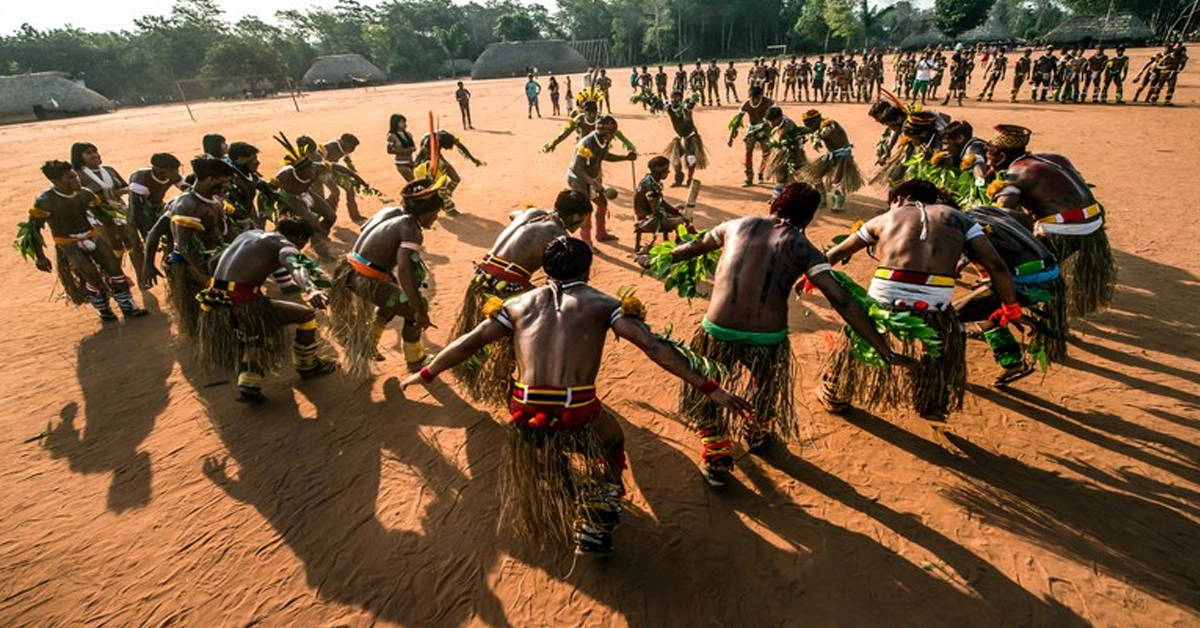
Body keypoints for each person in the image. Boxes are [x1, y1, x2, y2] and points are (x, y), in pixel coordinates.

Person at [401, 237, 752, 555]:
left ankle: (557, 487)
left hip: (524, 407)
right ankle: (596, 525)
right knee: (611, 442)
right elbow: (654, 348)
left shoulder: (519, 303)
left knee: (543, 446)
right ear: (587, 269)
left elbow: (469, 342)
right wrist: (711, 388)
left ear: (546, 268)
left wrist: (426, 372)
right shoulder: (603, 304)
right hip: (577, 407)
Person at [638, 183, 913, 485]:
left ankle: (716, 454)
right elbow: (841, 299)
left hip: (719, 329)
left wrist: (655, 258)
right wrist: (883, 348)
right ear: (807, 220)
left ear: (773, 204)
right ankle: (757, 431)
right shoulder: (804, 248)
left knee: (709, 384)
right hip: (767, 337)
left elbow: (692, 247)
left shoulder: (734, 225)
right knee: (766, 385)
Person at [818, 179, 1021, 421]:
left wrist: (810, 275)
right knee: (936, 343)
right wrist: (1010, 306)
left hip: (885, 296)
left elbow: (835, 254)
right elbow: (996, 265)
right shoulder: (959, 218)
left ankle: (835, 392)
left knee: (857, 334)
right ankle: (931, 400)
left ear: (899, 199)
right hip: (936, 300)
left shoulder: (884, 219)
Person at [449, 190, 593, 402]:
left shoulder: (533, 212)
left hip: (481, 279)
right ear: (575, 216)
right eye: (582, 221)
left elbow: (513, 214)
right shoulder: (559, 237)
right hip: (505, 289)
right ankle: (512, 386)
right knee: (527, 334)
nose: (580, 226)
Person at [196, 218, 336, 404]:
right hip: (243, 304)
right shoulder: (285, 245)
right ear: (300, 238)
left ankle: (248, 382)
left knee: (257, 326)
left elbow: (213, 262)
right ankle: (308, 365)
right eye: (304, 243)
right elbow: (296, 266)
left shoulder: (247, 235)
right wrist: (310, 289)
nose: (302, 248)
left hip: (213, 302)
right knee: (305, 315)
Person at [985, 124, 1116, 318]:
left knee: (1018, 273)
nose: (989, 166)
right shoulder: (1054, 159)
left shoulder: (1014, 176)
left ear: (1002, 157)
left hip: (1061, 231)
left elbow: (1000, 215)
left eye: (990, 160)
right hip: (1094, 225)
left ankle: (1032, 317)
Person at [327, 178, 446, 378]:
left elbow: (365, 228)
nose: (435, 218)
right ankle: (416, 360)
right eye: (435, 214)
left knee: (393, 298)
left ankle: (368, 343)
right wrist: (419, 310)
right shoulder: (411, 230)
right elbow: (406, 272)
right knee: (413, 308)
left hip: (350, 269)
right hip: (366, 278)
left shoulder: (391, 212)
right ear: (427, 213)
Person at [954, 205, 1067, 386]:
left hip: (1024, 282)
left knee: (950, 316)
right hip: (1051, 274)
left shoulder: (952, 225)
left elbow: (998, 268)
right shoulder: (982, 210)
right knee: (986, 310)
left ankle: (949, 374)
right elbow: (1025, 219)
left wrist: (1011, 305)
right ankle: (1013, 363)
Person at [21, 160, 147, 321]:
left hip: (92, 235)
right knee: (92, 276)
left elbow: (101, 214)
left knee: (115, 269)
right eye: (70, 178)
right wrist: (40, 257)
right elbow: (33, 231)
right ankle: (104, 309)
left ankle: (129, 307)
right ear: (56, 181)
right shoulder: (45, 202)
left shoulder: (86, 194)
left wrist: (117, 230)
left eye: (75, 176)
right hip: (67, 242)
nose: (76, 180)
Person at [152, 156, 239, 338]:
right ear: (210, 179)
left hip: (216, 260)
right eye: (225, 181)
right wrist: (205, 277)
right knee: (211, 314)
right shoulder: (188, 207)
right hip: (193, 267)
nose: (228, 186)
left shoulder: (215, 200)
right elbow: (185, 248)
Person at [567, 116, 637, 246]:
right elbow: (577, 168)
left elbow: (604, 156)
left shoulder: (603, 140)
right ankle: (586, 242)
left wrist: (625, 158)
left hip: (592, 178)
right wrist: (594, 183)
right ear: (604, 132)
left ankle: (601, 233)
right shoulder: (586, 143)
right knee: (586, 210)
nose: (612, 137)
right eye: (611, 134)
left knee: (602, 204)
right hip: (578, 179)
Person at [126, 153, 184, 284]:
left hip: (158, 209)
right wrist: (145, 233)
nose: (177, 173)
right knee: (137, 247)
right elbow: (136, 210)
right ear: (160, 171)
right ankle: (143, 276)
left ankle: (173, 269)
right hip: (138, 214)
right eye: (173, 170)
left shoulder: (173, 176)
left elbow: (187, 188)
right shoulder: (140, 179)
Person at [798, 109, 862, 213]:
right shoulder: (817, 127)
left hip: (843, 154)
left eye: (809, 125)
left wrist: (815, 135)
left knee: (836, 180)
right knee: (814, 175)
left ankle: (839, 204)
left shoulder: (829, 124)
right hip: (831, 154)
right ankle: (821, 199)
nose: (808, 127)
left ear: (816, 121)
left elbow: (826, 133)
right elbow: (809, 132)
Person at [414, 128, 484, 216]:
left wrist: (473, 159)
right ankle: (448, 207)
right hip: (427, 160)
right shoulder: (429, 141)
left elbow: (461, 146)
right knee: (441, 184)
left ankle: (442, 199)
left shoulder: (448, 136)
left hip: (438, 157)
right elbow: (421, 155)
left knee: (456, 179)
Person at [633, 156, 696, 254]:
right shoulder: (649, 185)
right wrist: (674, 213)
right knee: (682, 221)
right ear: (657, 168)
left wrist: (674, 210)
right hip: (647, 221)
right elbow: (656, 209)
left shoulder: (651, 180)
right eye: (666, 169)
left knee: (682, 209)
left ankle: (685, 239)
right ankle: (681, 245)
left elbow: (660, 202)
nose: (668, 172)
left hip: (653, 214)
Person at [727, 85, 775, 187]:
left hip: (765, 129)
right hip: (751, 129)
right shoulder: (746, 105)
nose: (753, 101)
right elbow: (737, 121)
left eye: (756, 98)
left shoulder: (768, 103)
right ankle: (749, 177)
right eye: (751, 98)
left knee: (766, 153)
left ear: (761, 96)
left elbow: (776, 117)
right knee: (748, 153)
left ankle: (761, 172)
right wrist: (731, 138)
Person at [663, 90, 707, 188]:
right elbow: (657, 105)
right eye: (672, 97)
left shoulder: (686, 108)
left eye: (676, 98)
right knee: (675, 160)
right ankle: (678, 179)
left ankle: (689, 179)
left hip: (691, 137)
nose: (674, 100)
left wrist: (692, 101)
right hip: (680, 137)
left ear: (681, 99)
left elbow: (690, 105)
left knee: (691, 159)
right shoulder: (669, 108)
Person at [763, 106, 808, 196]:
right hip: (780, 151)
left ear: (779, 118)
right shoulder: (772, 123)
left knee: (796, 173)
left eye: (772, 121)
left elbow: (781, 139)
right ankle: (777, 197)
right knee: (780, 174)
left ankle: (799, 195)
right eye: (769, 121)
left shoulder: (788, 125)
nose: (770, 123)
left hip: (792, 152)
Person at [386, 113, 417, 182]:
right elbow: (389, 150)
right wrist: (404, 151)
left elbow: (413, 147)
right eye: (402, 122)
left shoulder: (408, 134)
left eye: (405, 122)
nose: (405, 124)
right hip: (401, 164)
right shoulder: (391, 136)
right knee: (414, 182)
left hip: (411, 162)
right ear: (395, 124)